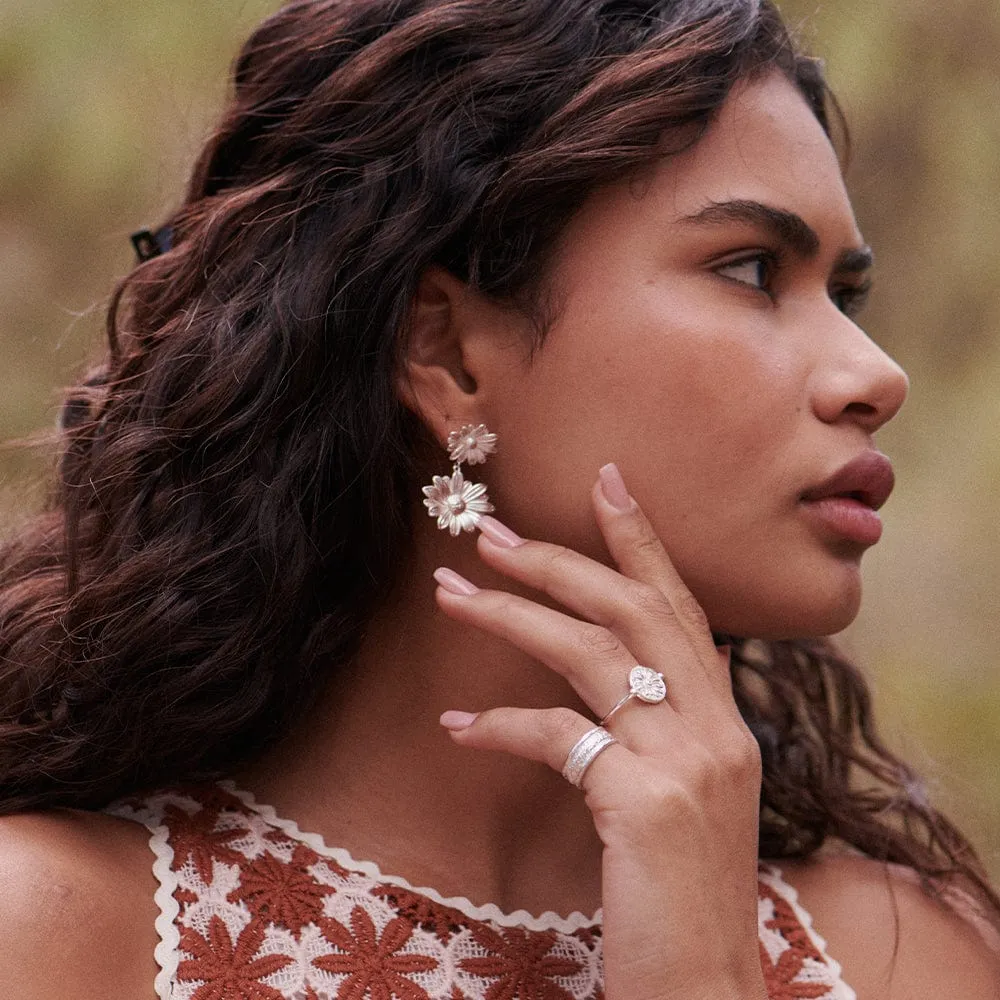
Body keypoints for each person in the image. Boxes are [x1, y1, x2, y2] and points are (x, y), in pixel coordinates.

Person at [0, 0, 998, 997]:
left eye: (846, 295)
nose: (876, 374)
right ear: (446, 351)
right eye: (751, 269)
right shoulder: (60, 933)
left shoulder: (910, 959)